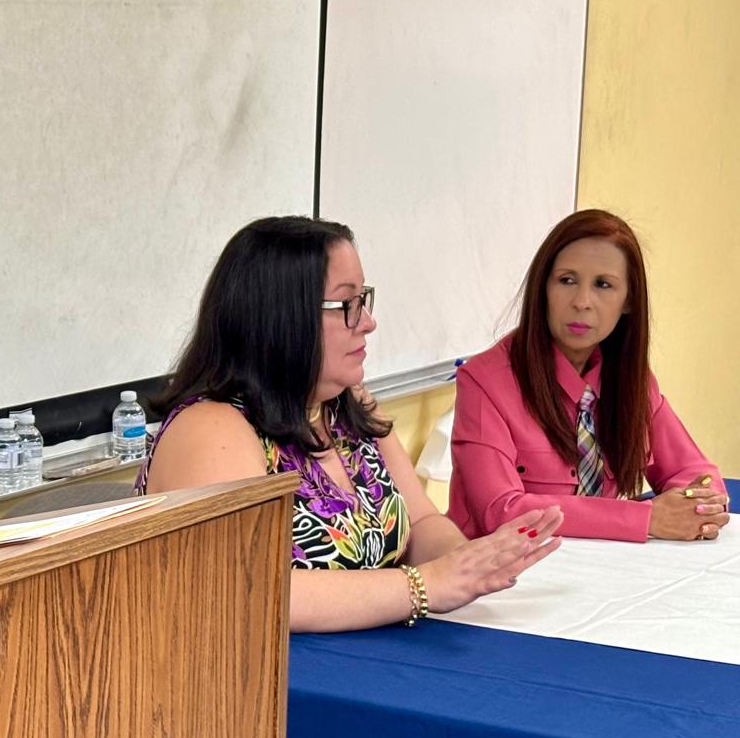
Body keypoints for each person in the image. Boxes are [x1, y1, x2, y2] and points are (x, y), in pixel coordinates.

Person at [138, 215, 561, 633]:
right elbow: (244, 591)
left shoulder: (347, 404)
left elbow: (421, 525)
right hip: (258, 686)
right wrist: (425, 584)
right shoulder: (212, 428)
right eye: (346, 305)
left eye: (364, 299)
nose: (367, 322)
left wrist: (471, 564)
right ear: (281, 318)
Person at [449, 208, 728, 541]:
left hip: (599, 574)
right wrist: (642, 518)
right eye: (567, 280)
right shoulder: (485, 382)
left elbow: (696, 474)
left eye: (603, 285)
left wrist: (698, 506)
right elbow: (500, 511)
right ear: (543, 289)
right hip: (500, 578)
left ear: (628, 301)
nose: (582, 301)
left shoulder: (629, 380)